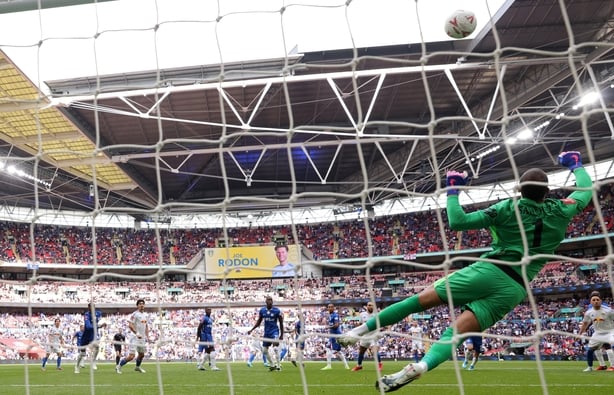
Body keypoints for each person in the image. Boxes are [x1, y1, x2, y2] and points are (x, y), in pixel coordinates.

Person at [339, 151, 593, 392]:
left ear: (520, 189)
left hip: (492, 269)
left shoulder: (507, 208)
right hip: (516, 288)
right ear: (547, 192)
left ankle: (357, 332)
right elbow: (585, 190)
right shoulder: (563, 208)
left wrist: (452, 189)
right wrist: (576, 164)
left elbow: (457, 221)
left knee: (416, 302)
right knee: (456, 334)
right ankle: (421, 366)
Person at [579, 291, 614, 371]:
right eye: (593, 300)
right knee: (591, 349)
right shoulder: (588, 312)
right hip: (597, 333)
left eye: (597, 299)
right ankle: (591, 367)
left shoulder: (608, 310)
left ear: (600, 300)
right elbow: (585, 324)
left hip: (610, 331)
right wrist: (579, 334)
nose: (595, 301)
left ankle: (613, 366)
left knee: (610, 345)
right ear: (591, 301)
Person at [247, 295, 284, 371]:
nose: (270, 301)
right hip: (266, 333)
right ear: (266, 302)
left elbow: (281, 323)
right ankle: (272, 364)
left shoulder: (277, 310)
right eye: (268, 300)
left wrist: (281, 335)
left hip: (274, 332)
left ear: (272, 301)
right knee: (264, 350)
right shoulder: (262, 310)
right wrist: (251, 329)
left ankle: (278, 365)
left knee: (276, 348)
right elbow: (258, 322)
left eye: (271, 300)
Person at [116, 299, 149, 374]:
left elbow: (146, 326)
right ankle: (118, 366)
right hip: (134, 337)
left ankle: (137, 367)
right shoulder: (135, 314)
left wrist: (147, 336)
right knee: (131, 356)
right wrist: (136, 333)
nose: (142, 305)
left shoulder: (145, 315)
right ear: (137, 306)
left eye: (143, 304)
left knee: (141, 355)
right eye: (140, 304)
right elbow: (130, 325)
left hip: (142, 338)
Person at [76, 302, 106, 373]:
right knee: (82, 353)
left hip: (92, 335)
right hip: (86, 336)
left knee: (97, 347)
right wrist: (98, 326)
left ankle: (93, 361)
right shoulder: (86, 315)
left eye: (94, 306)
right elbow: (88, 326)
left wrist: (103, 323)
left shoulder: (98, 313)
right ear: (88, 307)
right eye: (91, 307)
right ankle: (77, 366)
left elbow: (100, 320)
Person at [351, 302, 382, 371]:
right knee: (361, 351)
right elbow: (360, 324)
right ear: (366, 306)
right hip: (365, 336)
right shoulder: (362, 314)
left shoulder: (377, 315)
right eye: (369, 305)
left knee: (374, 351)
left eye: (372, 305)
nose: (370, 307)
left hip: (373, 336)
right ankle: (359, 366)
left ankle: (379, 364)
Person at [321, 303, 349, 370]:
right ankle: (345, 366)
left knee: (335, 351)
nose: (330, 308)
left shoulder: (335, 315)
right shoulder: (330, 315)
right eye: (328, 307)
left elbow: (336, 325)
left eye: (331, 307)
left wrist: (328, 327)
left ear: (333, 308)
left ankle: (329, 366)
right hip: (332, 336)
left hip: (336, 335)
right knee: (333, 350)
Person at [196, 307, 220, 371]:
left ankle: (201, 365)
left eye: (210, 310)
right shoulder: (204, 318)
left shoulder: (210, 319)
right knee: (212, 349)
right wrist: (198, 336)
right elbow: (199, 326)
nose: (209, 311)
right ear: (206, 311)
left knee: (208, 351)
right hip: (205, 336)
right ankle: (213, 366)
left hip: (209, 335)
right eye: (208, 310)